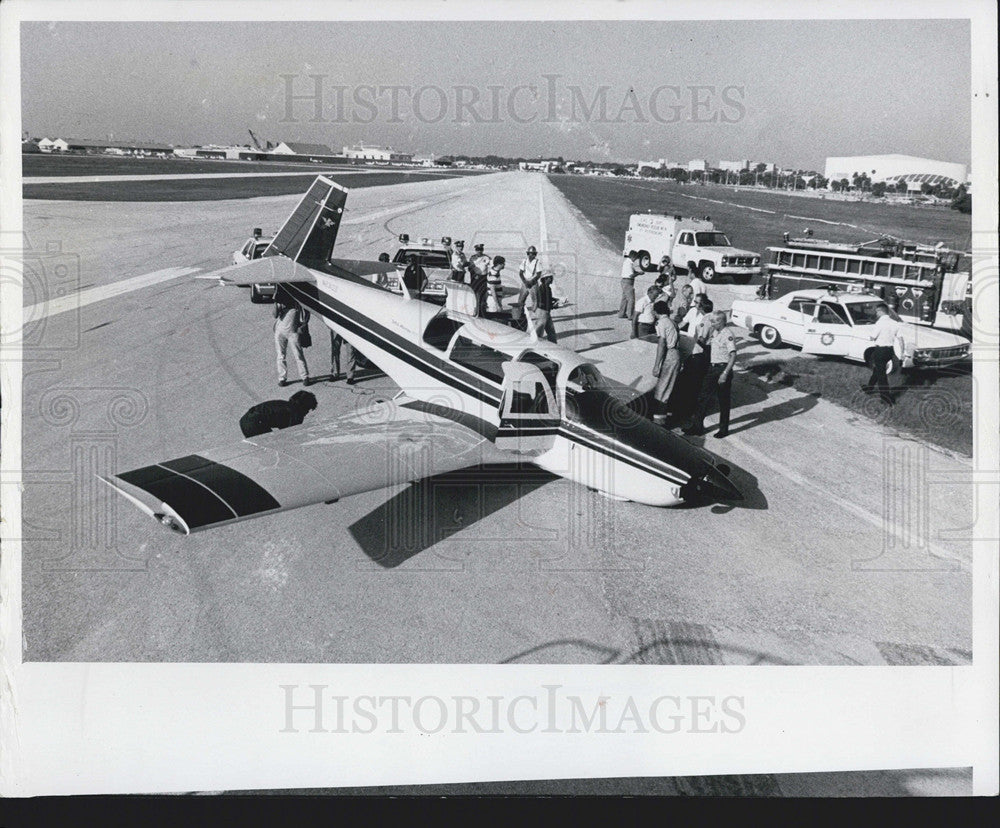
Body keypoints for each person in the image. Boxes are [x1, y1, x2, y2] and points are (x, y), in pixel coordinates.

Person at [683, 311, 737, 438]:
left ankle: (723, 429)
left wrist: (725, 373)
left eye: (713, 321)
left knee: (723, 401)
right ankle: (697, 427)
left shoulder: (728, 335)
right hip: (712, 369)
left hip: (722, 369)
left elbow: (733, 355)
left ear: (721, 321)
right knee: (702, 397)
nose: (711, 324)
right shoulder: (715, 332)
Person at [863, 302, 903, 405]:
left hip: (880, 350)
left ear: (881, 311)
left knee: (882, 376)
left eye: (877, 312)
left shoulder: (880, 323)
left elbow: (872, 337)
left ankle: (886, 399)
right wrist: (901, 355)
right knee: (878, 369)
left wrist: (869, 329)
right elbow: (901, 339)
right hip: (890, 350)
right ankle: (869, 388)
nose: (876, 314)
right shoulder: (895, 323)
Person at [651, 300, 681, 426]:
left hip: (669, 354)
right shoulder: (672, 321)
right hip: (676, 354)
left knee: (661, 391)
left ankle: (659, 422)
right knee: (669, 388)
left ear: (655, 312)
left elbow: (662, 344)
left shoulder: (661, 323)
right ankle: (667, 417)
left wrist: (657, 365)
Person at [239, 390, 317, 438]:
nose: (306, 413)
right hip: (255, 423)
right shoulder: (296, 413)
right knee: (272, 446)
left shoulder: (284, 405)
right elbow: (292, 435)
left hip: (246, 420)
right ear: (304, 406)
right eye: (308, 409)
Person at [274, 298, 312, 387]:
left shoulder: (297, 301)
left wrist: (303, 325)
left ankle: (304, 377)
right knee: (286, 355)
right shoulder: (293, 301)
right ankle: (284, 378)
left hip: (290, 331)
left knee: (295, 355)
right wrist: (276, 304)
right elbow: (275, 314)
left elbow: (307, 312)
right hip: (285, 331)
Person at [515, 245, 541, 321]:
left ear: (535, 254)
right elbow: (520, 273)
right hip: (525, 282)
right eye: (529, 253)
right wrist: (525, 282)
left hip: (533, 283)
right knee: (520, 300)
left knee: (535, 300)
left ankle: (535, 317)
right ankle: (520, 315)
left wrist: (532, 281)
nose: (531, 255)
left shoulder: (537, 262)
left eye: (532, 254)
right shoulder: (524, 261)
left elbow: (539, 274)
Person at [532, 271, 558, 343]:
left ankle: (554, 348)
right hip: (542, 313)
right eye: (550, 278)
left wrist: (554, 300)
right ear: (546, 279)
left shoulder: (546, 288)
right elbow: (542, 303)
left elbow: (547, 299)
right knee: (539, 333)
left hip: (546, 313)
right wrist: (553, 306)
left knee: (551, 332)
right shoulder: (543, 288)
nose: (552, 279)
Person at [618, 250, 641, 319]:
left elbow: (631, 272)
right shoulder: (629, 264)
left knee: (625, 298)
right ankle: (630, 315)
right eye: (635, 258)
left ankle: (621, 313)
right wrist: (639, 273)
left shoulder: (627, 262)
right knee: (631, 299)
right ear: (632, 257)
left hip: (624, 281)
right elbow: (631, 275)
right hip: (628, 282)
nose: (635, 259)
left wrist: (636, 272)